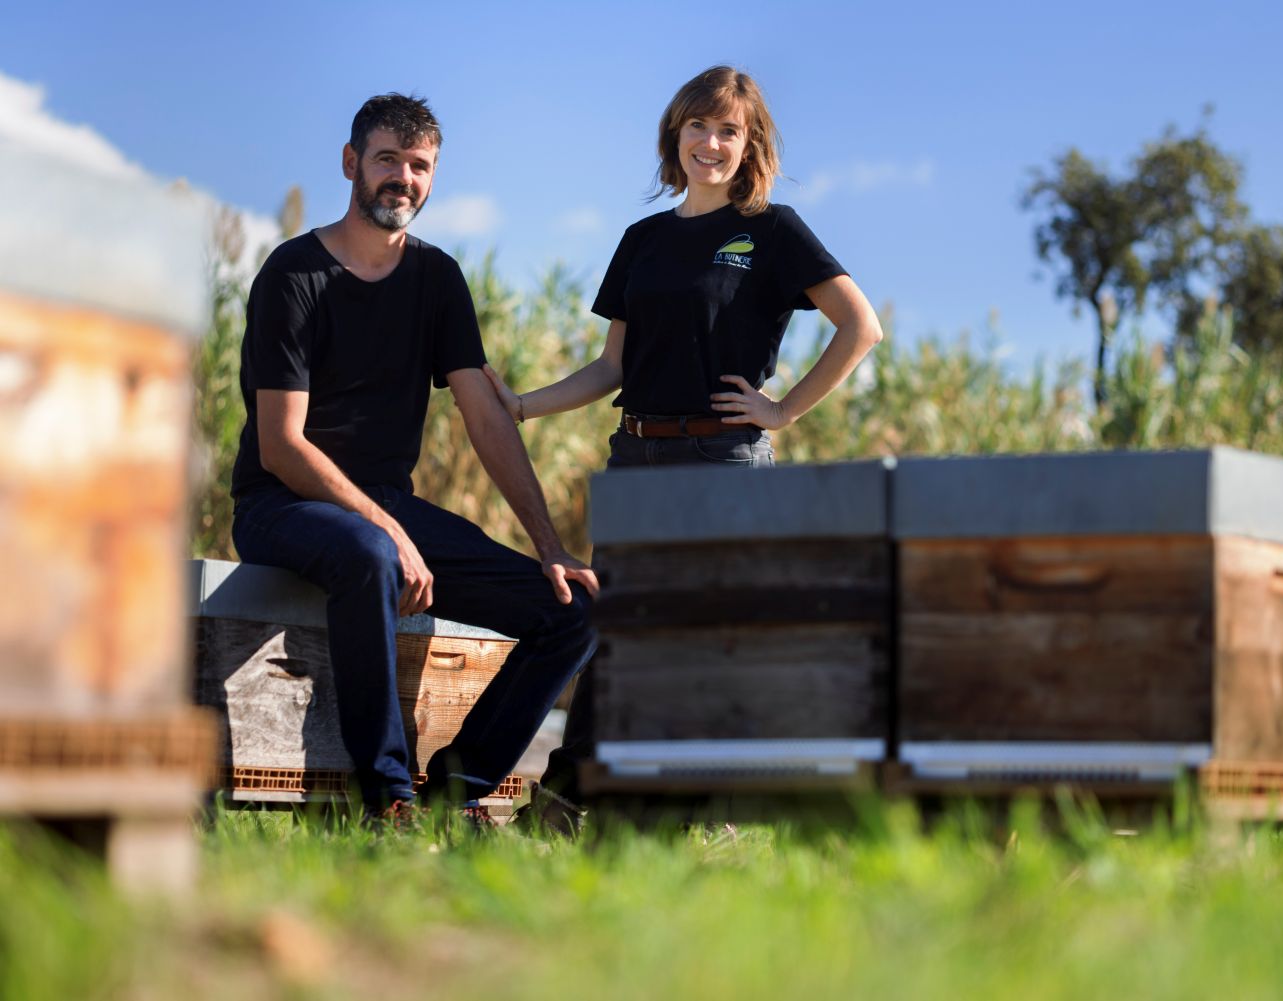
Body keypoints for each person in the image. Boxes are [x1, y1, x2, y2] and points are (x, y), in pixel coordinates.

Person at [484, 66, 883, 829]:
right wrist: (524, 405)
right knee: (617, 629)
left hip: (723, 463)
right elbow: (613, 367)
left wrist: (783, 410)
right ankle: (566, 804)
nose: (711, 142)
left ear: (750, 143)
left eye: (728, 130)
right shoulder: (645, 240)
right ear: (676, 135)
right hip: (635, 459)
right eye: (698, 126)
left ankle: (708, 808)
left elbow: (860, 326)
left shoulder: (772, 229)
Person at [229, 93, 598, 825]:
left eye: (420, 164)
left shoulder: (437, 280)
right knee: (371, 552)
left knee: (573, 611)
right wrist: (391, 531)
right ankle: (387, 797)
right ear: (351, 163)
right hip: (280, 504)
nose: (404, 177)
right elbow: (283, 445)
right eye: (388, 159)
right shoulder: (294, 274)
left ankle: (457, 793)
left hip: (382, 511)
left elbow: (485, 417)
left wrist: (551, 548)